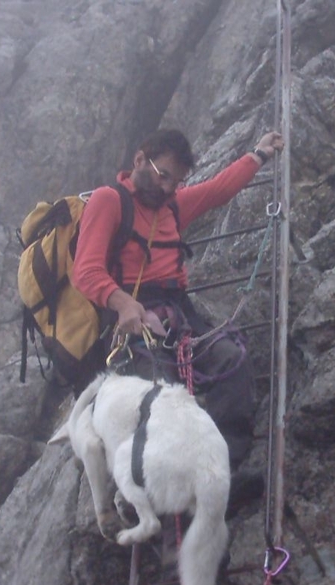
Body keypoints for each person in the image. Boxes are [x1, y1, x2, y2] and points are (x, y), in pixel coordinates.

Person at [72, 129, 284, 516]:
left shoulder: (169, 205)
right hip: (129, 319)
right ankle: (163, 494)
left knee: (228, 359)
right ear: (139, 161)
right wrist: (123, 304)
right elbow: (85, 271)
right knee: (162, 392)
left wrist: (259, 155)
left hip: (177, 311)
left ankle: (221, 472)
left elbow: (218, 190)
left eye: (176, 180)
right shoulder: (109, 201)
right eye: (162, 174)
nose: (168, 187)